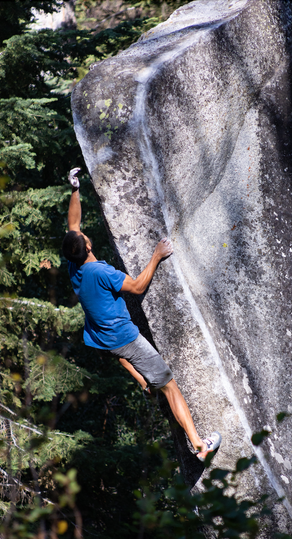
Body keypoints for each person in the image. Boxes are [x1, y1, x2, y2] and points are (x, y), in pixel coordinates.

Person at [62, 168, 221, 461]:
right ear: (87, 246)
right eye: (83, 236)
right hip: (125, 338)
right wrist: (156, 256)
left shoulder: (75, 266)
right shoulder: (101, 272)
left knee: (128, 359)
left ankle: (142, 380)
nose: (82, 231)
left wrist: (74, 188)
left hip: (103, 337)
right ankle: (200, 447)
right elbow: (136, 286)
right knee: (171, 386)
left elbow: (73, 222)